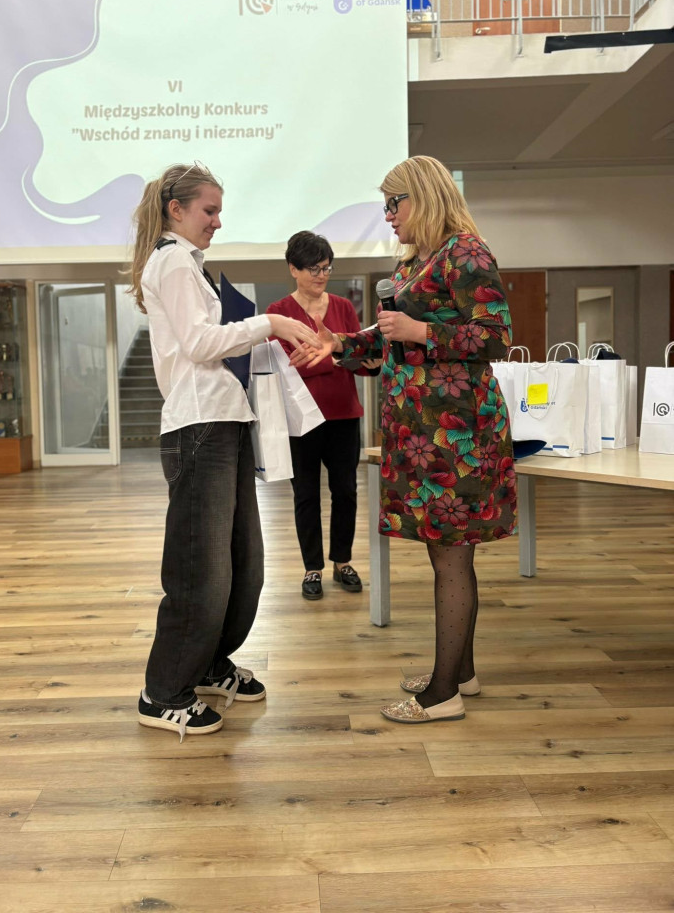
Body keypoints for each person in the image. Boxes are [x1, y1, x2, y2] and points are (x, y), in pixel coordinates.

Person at [293, 156, 516, 724]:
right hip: (426, 432)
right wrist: (341, 345)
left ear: (424, 195)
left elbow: (496, 336)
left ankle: (442, 694)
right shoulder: (421, 260)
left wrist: (422, 330)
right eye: (385, 205)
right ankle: (461, 672)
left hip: (457, 435)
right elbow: (389, 338)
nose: (388, 215)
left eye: (395, 203)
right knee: (451, 554)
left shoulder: (466, 251)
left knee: (451, 556)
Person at [127, 162, 319, 740]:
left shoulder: (191, 266)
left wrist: (265, 337)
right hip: (198, 428)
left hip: (224, 422)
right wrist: (271, 323)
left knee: (244, 565)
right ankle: (163, 692)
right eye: (208, 210)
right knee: (200, 571)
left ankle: (210, 664)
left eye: (218, 211)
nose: (217, 221)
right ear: (176, 210)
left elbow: (210, 345)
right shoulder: (171, 261)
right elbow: (200, 343)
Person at [266, 231, 381, 601]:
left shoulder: (344, 307)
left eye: (327, 268)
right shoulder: (278, 312)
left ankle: (342, 561)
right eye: (314, 269)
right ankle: (312, 567)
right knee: (305, 494)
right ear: (293, 269)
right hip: (300, 419)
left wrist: (345, 358)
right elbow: (285, 368)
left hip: (344, 414)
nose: (321, 275)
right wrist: (335, 357)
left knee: (345, 491)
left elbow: (358, 356)